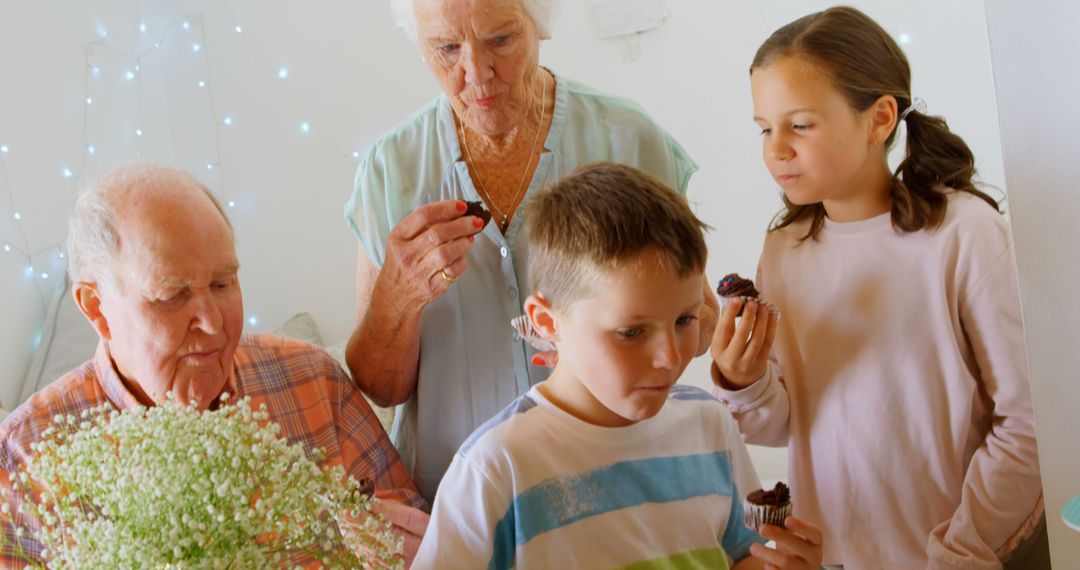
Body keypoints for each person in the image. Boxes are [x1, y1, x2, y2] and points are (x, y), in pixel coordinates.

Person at [711, 7, 1046, 568]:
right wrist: (742, 382)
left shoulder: (964, 234)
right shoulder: (785, 249)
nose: (776, 149)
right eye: (765, 128)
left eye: (801, 124)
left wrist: (961, 546)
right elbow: (786, 423)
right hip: (836, 555)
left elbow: (1028, 421)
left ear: (880, 119)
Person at [344, 0, 718, 502]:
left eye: (500, 40)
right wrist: (399, 296)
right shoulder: (390, 168)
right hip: (457, 504)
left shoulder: (628, 138)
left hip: (615, 493)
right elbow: (378, 388)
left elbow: (699, 323)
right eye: (447, 48)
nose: (476, 72)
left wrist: (613, 342)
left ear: (539, 24)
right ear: (420, 46)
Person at [0, 164, 427, 566]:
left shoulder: (313, 380)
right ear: (96, 308)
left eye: (223, 284)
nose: (212, 321)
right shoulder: (23, 463)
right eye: (172, 296)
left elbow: (429, 543)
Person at [413, 163, 824, 569]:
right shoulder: (495, 469)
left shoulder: (710, 427)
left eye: (684, 320)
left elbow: (743, 557)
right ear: (546, 321)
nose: (670, 356)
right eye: (631, 332)